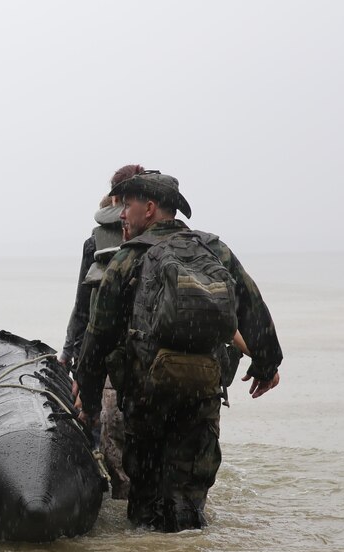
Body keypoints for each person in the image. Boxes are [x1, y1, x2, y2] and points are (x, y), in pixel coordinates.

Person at [75, 171, 283, 532]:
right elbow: (253, 306)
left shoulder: (127, 259)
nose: (121, 215)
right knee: (191, 493)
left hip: (148, 398)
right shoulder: (214, 249)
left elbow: (99, 336)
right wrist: (266, 364)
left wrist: (90, 403)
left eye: (128, 206)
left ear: (150, 209)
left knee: (147, 501)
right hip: (202, 395)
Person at [58, 164, 144, 499]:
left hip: (107, 362)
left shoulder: (95, 242)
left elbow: (84, 307)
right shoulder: (169, 242)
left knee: (108, 446)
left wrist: (68, 352)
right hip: (147, 362)